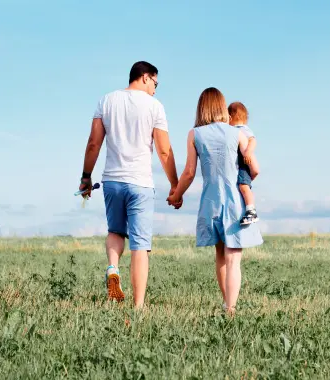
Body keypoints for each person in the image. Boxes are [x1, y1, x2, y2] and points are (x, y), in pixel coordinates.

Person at [78, 61, 180, 308]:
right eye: (156, 83)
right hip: (140, 183)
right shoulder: (155, 106)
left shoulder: (106, 101)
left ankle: (113, 268)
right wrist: (175, 185)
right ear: (145, 77)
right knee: (140, 246)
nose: (156, 89)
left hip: (112, 180)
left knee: (115, 232)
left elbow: (94, 142)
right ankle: (139, 306)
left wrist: (86, 177)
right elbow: (164, 151)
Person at [167, 87, 263, 314]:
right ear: (221, 106)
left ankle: (225, 301)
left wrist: (176, 195)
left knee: (220, 254)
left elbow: (189, 172)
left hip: (210, 200)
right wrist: (248, 182)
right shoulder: (237, 134)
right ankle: (231, 307)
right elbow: (254, 167)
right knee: (233, 259)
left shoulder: (194, 134)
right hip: (235, 201)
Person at [228, 102, 259, 225]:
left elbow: (253, 140)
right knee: (242, 186)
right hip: (241, 164)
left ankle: (251, 211)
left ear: (230, 117)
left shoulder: (241, 130)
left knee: (243, 186)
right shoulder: (238, 129)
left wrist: (247, 153)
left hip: (243, 164)